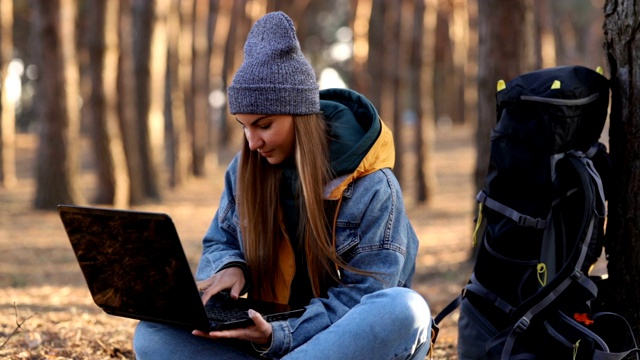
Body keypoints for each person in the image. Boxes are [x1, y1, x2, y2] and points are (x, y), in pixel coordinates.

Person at [133, 11, 433, 360]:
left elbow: (363, 298)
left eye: (263, 125)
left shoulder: (372, 185)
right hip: (268, 339)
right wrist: (230, 266)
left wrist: (280, 335)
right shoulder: (245, 169)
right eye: (244, 126)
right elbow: (221, 238)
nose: (252, 142)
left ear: (300, 116)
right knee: (153, 335)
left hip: (342, 343)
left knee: (404, 308)